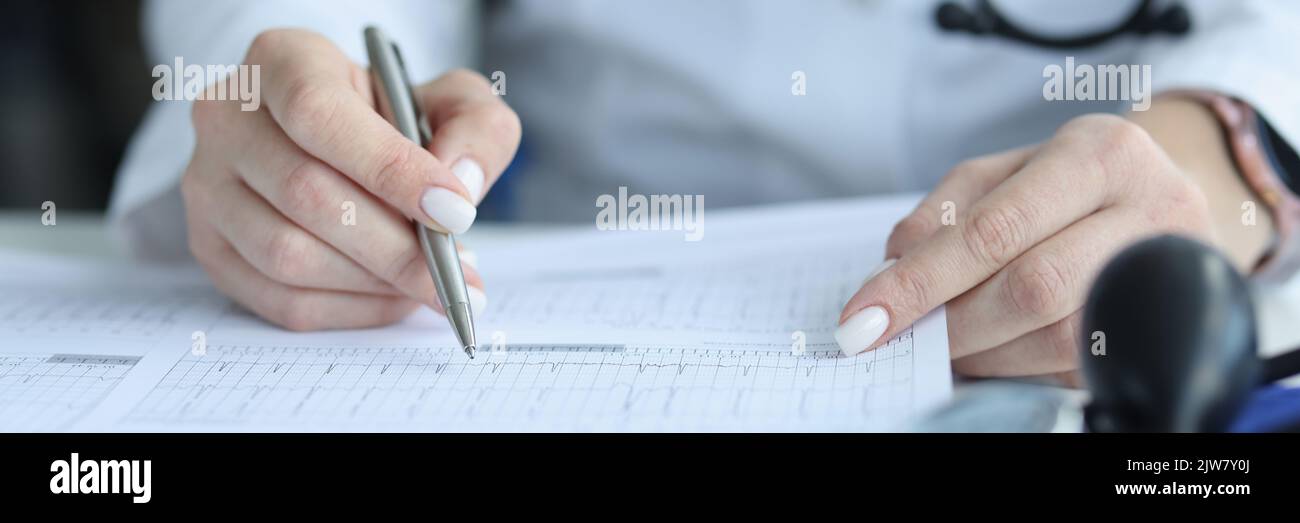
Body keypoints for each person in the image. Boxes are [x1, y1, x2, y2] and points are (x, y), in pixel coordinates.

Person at [112, 0, 1300, 384]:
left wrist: (1237, 142)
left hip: (1125, 304)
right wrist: (304, 106)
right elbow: (336, 30)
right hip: (570, 262)